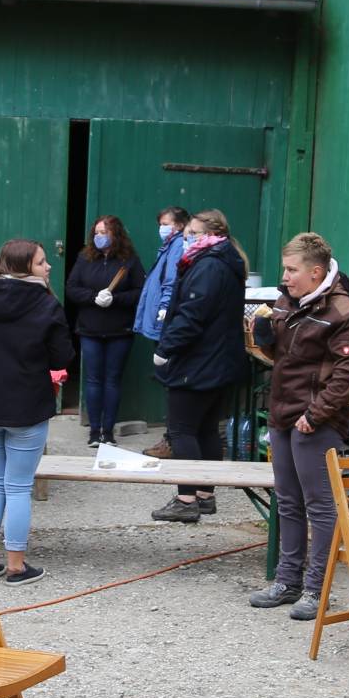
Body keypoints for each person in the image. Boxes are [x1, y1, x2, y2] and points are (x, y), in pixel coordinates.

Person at [247, 233, 349, 621]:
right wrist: (262, 337)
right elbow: (279, 356)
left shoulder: (344, 313)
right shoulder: (288, 301)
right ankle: (287, 581)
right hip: (284, 413)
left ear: (316, 272)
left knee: (321, 506)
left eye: (291, 270)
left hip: (316, 421)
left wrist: (316, 414)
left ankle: (317, 589)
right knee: (287, 501)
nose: (284, 277)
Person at [0, 238, 72, 586]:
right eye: (42, 263)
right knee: (19, 488)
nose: (49, 267)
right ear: (25, 268)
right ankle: (16, 565)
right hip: (27, 407)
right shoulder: (46, 304)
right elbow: (62, 358)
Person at [149, 208, 248, 523]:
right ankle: (205, 495)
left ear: (208, 235)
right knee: (206, 429)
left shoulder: (208, 265)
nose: (185, 238)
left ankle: (186, 499)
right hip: (217, 360)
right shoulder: (226, 261)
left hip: (197, 361)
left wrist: (166, 348)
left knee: (182, 430)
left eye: (191, 233)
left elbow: (193, 314)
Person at [65, 215, 145, 448]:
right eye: (97, 233)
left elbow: (141, 292)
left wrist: (115, 299)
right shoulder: (85, 257)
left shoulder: (129, 261)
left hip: (119, 330)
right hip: (89, 328)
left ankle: (108, 432)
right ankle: (94, 431)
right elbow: (71, 288)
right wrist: (93, 298)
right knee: (93, 380)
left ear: (116, 234)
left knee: (112, 380)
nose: (100, 237)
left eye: (105, 232)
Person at [134, 206, 190, 460]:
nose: (162, 228)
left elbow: (171, 282)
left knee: (170, 380)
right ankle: (171, 437)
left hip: (164, 325)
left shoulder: (178, 245)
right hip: (160, 324)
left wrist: (164, 310)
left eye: (166, 223)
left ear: (179, 225)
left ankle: (172, 439)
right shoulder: (169, 245)